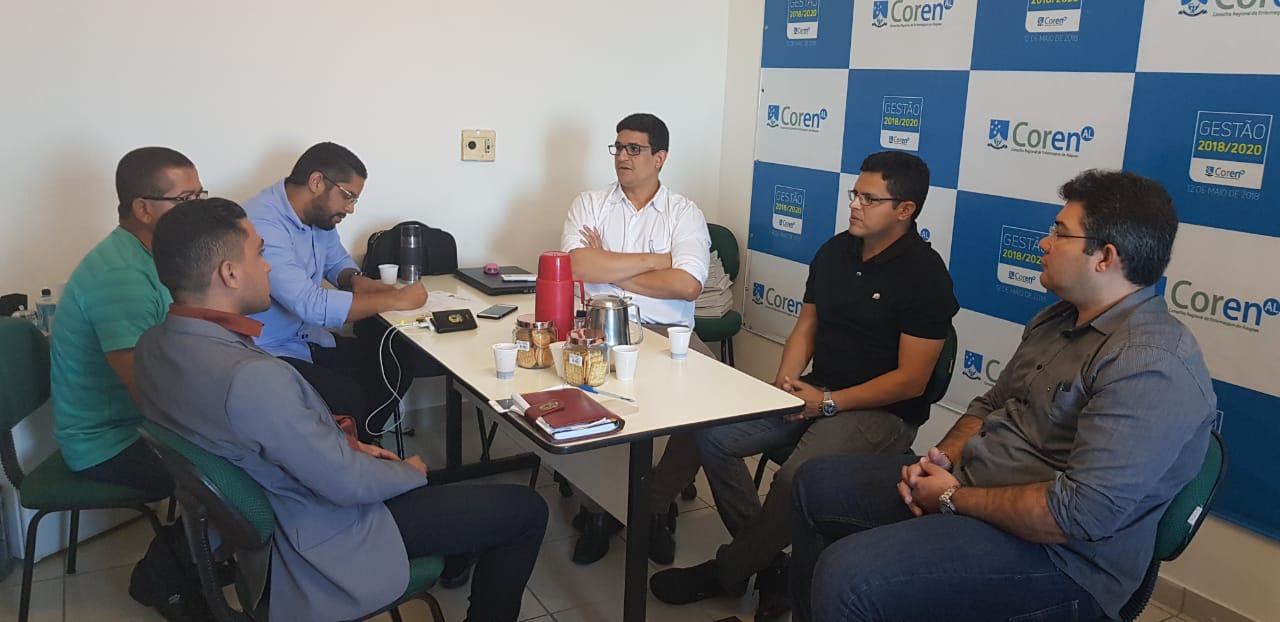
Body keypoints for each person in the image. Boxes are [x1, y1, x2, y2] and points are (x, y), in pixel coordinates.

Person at [788, 170, 1216, 622]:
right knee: (814, 484)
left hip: (1062, 560)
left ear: (1105, 257)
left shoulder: (1150, 364)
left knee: (849, 577)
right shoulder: (1057, 319)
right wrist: (943, 460)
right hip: (973, 489)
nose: (1044, 243)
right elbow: (991, 405)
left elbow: (1078, 515)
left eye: (1060, 233)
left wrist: (951, 499)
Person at [136, 199, 548, 622]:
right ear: (230, 273)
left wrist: (346, 445)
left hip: (277, 503)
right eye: (259, 254)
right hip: (321, 529)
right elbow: (347, 484)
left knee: (434, 488)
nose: (268, 266)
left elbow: (262, 435)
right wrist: (409, 472)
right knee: (526, 511)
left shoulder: (154, 346)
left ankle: (456, 548)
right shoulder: (250, 378)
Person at [650, 151, 959, 621]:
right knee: (712, 434)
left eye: (869, 198)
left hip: (881, 411)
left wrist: (829, 403)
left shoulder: (926, 275)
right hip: (816, 389)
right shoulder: (835, 251)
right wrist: (786, 382)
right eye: (855, 194)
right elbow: (807, 328)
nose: (854, 204)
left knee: (797, 478)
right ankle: (769, 562)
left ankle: (728, 569)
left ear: (905, 209)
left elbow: (911, 381)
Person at [50, 146, 213, 620]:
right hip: (106, 442)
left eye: (200, 196)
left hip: (135, 423)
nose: (197, 210)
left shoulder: (153, 256)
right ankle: (160, 578)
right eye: (185, 200)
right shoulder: (120, 274)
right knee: (233, 474)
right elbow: (149, 392)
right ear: (143, 208)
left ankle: (205, 560)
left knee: (250, 448)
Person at [559, 112, 714, 565]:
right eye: (618, 147)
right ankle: (595, 512)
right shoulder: (590, 203)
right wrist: (654, 260)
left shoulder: (684, 213)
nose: (622, 157)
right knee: (586, 408)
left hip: (668, 331)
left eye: (634, 149)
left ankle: (653, 506)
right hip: (598, 328)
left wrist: (610, 265)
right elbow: (578, 266)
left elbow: (687, 285)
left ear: (659, 157)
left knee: (711, 410)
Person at [243, 142, 428, 443]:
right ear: (317, 182)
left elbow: (336, 261)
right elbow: (310, 304)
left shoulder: (319, 217)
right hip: (268, 351)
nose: (351, 208)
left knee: (394, 361)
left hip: (305, 338)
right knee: (347, 395)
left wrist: (355, 279)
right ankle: (352, 454)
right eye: (348, 196)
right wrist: (396, 298)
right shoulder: (262, 223)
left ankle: (361, 443)